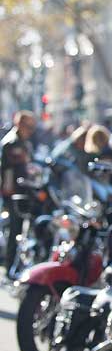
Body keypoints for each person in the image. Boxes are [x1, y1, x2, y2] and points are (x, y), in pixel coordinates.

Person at [1, 111, 36, 276]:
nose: (31, 130)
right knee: (15, 230)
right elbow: (11, 168)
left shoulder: (24, 142)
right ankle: (10, 267)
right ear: (20, 124)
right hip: (15, 192)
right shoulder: (11, 142)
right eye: (28, 126)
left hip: (25, 190)